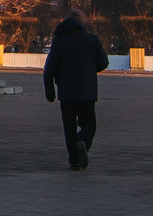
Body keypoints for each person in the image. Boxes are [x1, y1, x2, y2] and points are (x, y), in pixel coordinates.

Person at [43, 11, 107, 169]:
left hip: (66, 93)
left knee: (69, 126)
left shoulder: (59, 42)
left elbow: (49, 69)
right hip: (87, 92)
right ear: (83, 24)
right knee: (89, 124)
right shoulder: (92, 40)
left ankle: (74, 160)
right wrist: (90, 68)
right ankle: (83, 141)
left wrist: (50, 92)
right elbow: (103, 63)